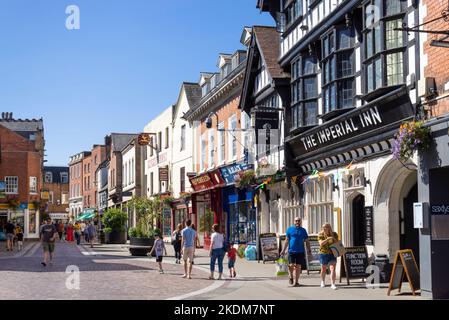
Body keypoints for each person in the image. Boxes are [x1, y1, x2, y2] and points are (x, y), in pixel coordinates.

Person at [280, 217, 311, 287]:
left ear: (301, 222)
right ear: (294, 222)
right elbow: (287, 240)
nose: (297, 222)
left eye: (299, 221)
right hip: (291, 251)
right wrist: (283, 250)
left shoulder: (303, 230)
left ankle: (296, 282)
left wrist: (309, 249)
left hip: (300, 251)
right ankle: (291, 276)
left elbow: (307, 240)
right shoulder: (290, 229)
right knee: (291, 265)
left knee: (298, 267)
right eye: (296, 221)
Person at [318, 223, 339, 290]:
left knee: (332, 268)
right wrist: (327, 239)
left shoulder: (334, 234)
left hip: (332, 253)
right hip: (323, 253)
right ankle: (322, 281)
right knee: (323, 268)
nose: (324, 228)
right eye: (323, 227)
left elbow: (337, 243)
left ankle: (333, 284)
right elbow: (321, 243)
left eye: (326, 227)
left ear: (329, 228)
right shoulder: (321, 234)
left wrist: (332, 237)